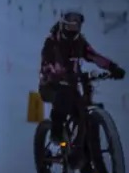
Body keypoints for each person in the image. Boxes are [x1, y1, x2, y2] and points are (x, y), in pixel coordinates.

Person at [38, 9, 125, 147]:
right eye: (70, 25)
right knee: (63, 99)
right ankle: (56, 133)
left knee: (82, 109)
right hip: (50, 86)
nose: (73, 29)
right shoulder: (52, 41)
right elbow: (46, 65)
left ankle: (87, 148)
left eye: (76, 25)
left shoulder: (79, 42)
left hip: (70, 86)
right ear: (63, 24)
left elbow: (93, 56)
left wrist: (111, 67)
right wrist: (57, 73)